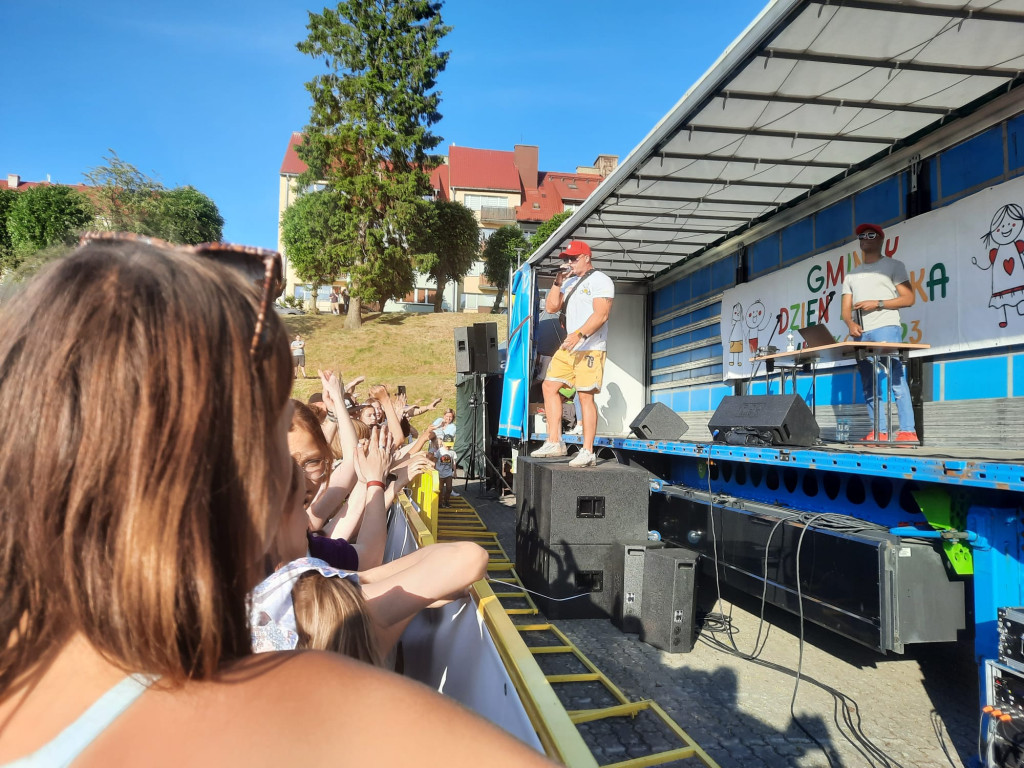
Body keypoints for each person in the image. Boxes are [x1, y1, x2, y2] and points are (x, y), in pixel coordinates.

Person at [0, 234, 554, 768]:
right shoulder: (292, 690)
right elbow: (439, 559)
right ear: (228, 473)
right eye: (272, 431)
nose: (294, 477)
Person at [531, 240, 614, 467]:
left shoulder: (601, 280)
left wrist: (580, 334)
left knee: (585, 396)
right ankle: (554, 441)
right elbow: (550, 308)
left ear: (587, 257)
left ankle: (588, 451)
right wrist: (557, 283)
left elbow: (602, 314)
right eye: (566, 259)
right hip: (568, 348)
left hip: (590, 347)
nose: (569, 262)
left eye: (573, 258)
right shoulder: (567, 282)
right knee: (549, 386)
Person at [841, 223, 918, 442]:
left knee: (894, 376)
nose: (864, 238)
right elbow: (845, 310)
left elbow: (909, 298)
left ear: (881, 239)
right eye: (861, 236)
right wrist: (850, 324)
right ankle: (879, 430)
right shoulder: (851, 275)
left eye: (870, 234)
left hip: (886, 327)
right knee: (869, 383)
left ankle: (907, 431)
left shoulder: (894, 266)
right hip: (861, 333)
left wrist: (879, 303)